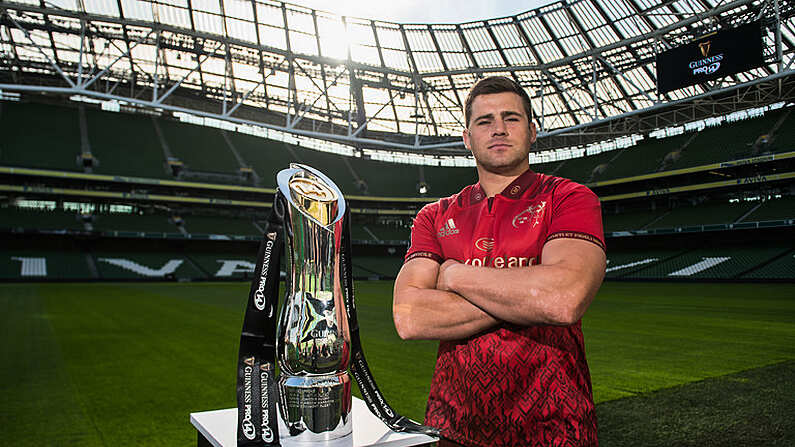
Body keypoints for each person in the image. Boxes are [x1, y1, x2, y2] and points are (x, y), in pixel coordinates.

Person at [392, 76, 606, 447]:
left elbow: (564, 299)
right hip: (453, 426)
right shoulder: (435, 215)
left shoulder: (568, 198)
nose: (499, 129)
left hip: (556, 425)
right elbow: (410, 316)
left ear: (533, 130)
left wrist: (455, 274)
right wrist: (529, 291)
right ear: (467, 138)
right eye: (484, 121)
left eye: (512, 118)